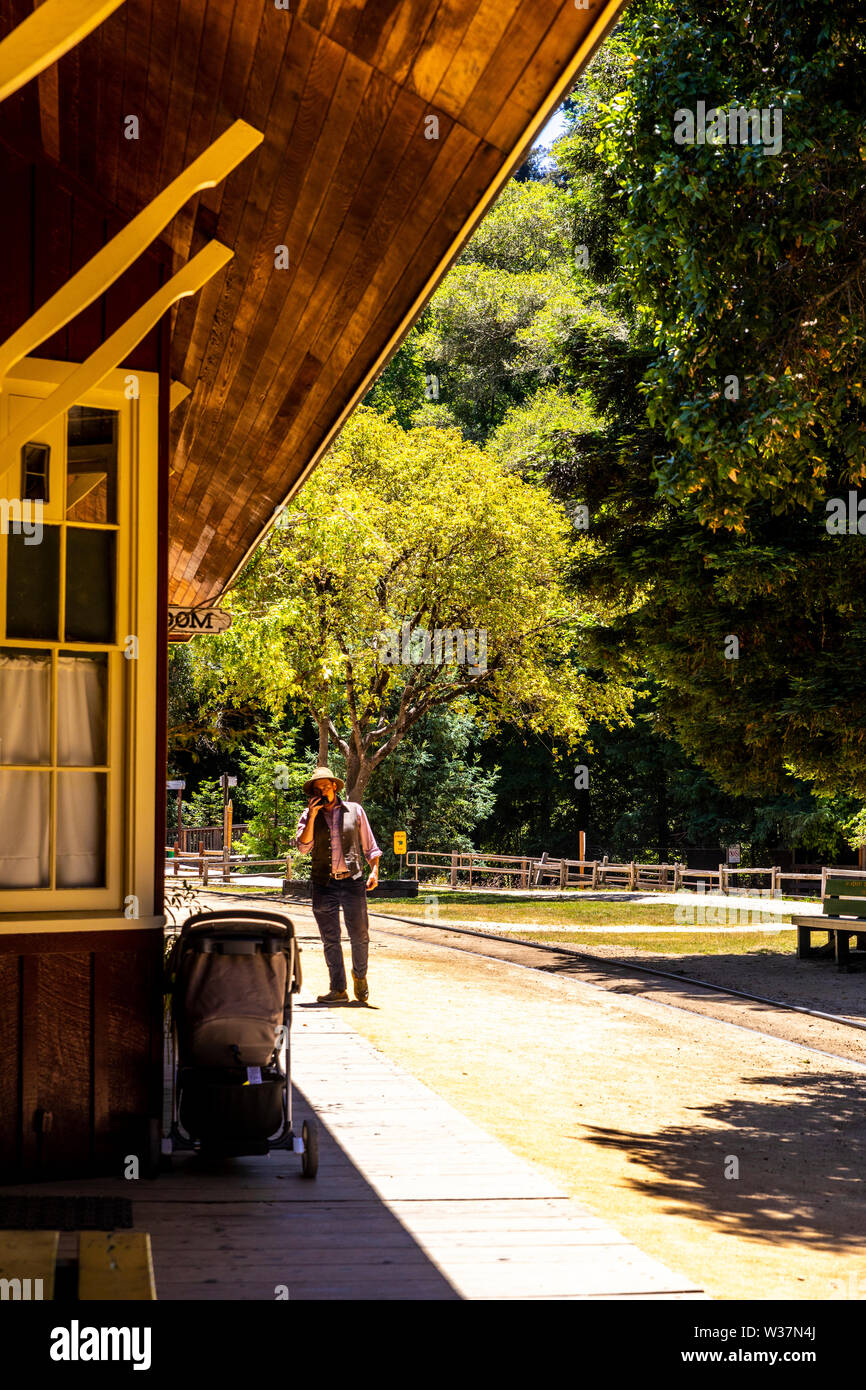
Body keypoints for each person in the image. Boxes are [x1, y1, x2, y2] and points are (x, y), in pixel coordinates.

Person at [295, 766, 381, 1004]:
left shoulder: (355, 810)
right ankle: (338, 988)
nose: (322, 790)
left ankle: (360, 976)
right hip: (324, 883)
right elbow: (303, 847)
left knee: (360, 935)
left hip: (352, 881)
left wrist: (374, 870)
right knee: (330, 938)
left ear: (334, 786)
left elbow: (370, 846)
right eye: (317, 788)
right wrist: (312, 816)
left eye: (325, 785)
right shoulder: (308, 814)